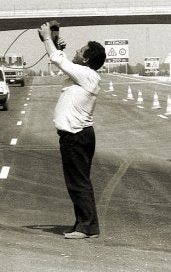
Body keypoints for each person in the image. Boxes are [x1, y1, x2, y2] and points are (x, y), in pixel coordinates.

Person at [37, 21, 107, 239]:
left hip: (76, 136)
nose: (75, 51)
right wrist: (56, 43)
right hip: (77, 135)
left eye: (80, 51)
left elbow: (58, 60)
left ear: (86, 59)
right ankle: (86, 224)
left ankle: (86, 227)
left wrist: (49, 39)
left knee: (77, 182)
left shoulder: (87, 75)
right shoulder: (84, 74)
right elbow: (62, 60)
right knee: (79, 181)